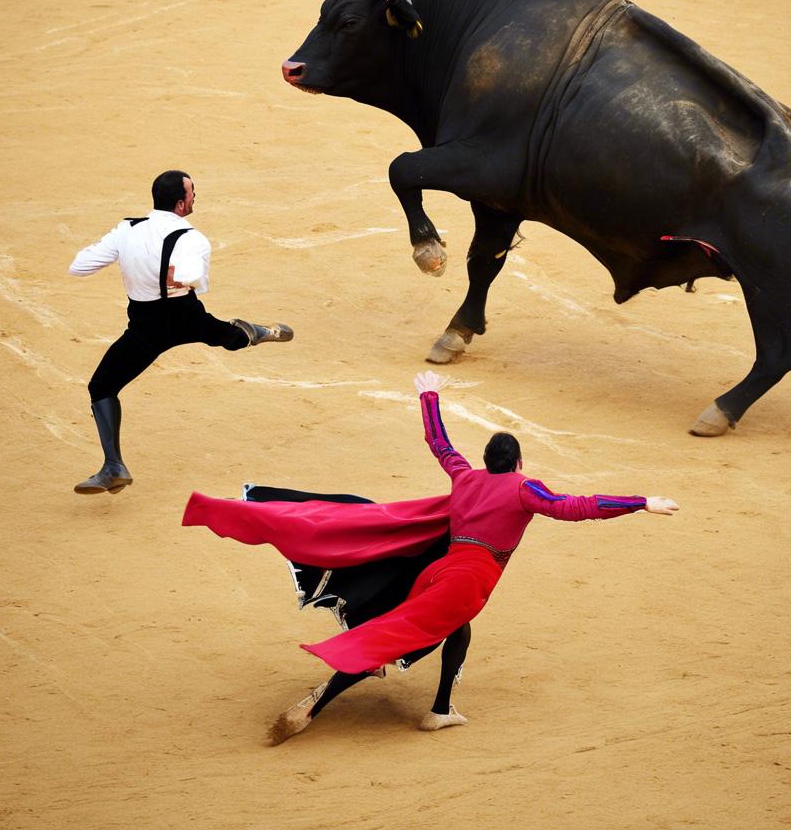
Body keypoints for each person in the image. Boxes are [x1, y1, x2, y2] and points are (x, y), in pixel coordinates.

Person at [181, 372, 678, 745]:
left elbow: (439, 443)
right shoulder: (526, 489)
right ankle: (316, 703)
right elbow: (575, 508)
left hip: (439, 571)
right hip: (471, 580)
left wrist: (429, 395)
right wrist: (641, 502)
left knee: (453, 631)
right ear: (519, 463)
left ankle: (440, 707)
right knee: (386, 638)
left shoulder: (465, 477)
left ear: (488, 460)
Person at [69, 170, 293, 494]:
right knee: (224, 337)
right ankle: (257, 332)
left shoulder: (126, 230)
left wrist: (129, 256)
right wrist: (177, 276)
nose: (194, 197)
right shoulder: (192, 239)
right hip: (182, 315)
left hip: (146, 325)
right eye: (192, 193)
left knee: (102, 386)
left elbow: (80, 265)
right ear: (180, 203)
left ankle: (113, 466)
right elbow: (190, 277)